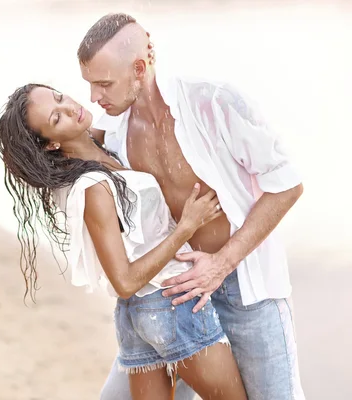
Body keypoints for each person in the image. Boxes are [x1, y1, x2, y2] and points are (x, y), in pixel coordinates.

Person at [78, 13, 305, 400]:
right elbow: (54, 145)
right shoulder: (111, 133)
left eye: (103, 84)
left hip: (245, 290)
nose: (94, 97)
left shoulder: (214, 102)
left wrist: (222, 264)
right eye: (90, 85)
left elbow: (286, 185)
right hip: (176, 294)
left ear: (139, 68)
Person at [0, 83, 248, 400]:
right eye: (56, 118)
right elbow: (124, 281)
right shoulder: (92, 187)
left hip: (138, 315)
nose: (70, 108)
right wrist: (186, 227)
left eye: (60, 97)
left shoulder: (94, 157)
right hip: (170, 305)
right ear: (51, 144)